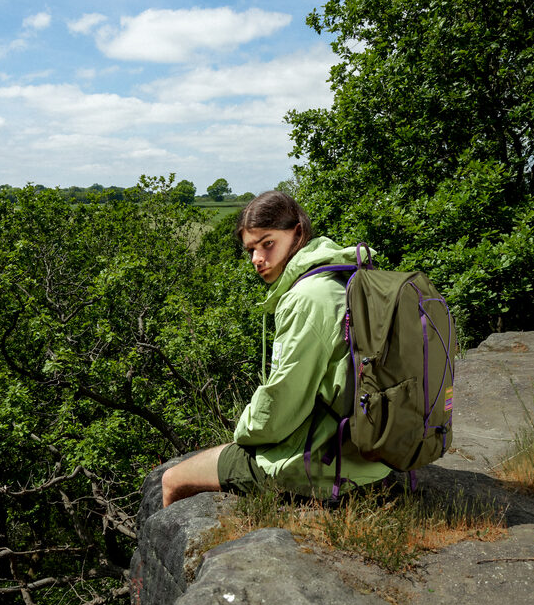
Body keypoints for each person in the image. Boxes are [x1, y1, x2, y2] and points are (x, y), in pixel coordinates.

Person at [161, 190, 392, 508]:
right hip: (374, 454)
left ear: (297, 232)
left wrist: (242, 430)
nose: (257, 259)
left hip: (324, 465)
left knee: (171, 479)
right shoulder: (347, 276)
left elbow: (281, 406)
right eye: (251, 250)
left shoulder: (307, 298)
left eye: (267, 243)